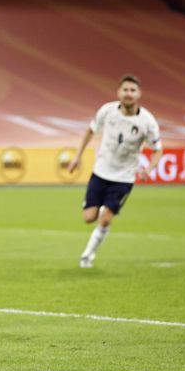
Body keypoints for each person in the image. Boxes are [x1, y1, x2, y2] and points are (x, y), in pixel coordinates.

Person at [68, 74, 162, 269]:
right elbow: (90, 130)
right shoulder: (107, 111)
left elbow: (157, 149)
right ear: (119, 92)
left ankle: (87, 255)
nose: (128, 94)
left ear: (139, 94)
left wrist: (149, 169)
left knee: (106, 219)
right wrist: (78, 156)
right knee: (88, 218)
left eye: (132, 91)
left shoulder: (147, 121)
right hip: (101, 171)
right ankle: (102, 209)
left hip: (124, 177)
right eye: (125, 90)